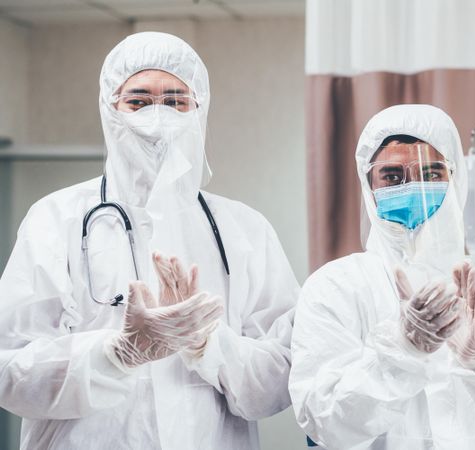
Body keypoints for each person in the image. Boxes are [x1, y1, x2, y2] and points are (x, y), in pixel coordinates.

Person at [0, 32, 298, 449]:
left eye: (176, 101)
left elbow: (280, 382)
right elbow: (10, 371)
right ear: (110, 109)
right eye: (138, 101)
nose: (158, 115)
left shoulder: (245, 230)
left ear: (199, 109)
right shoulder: (55, 219)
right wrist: (117, 353)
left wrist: (208, 344)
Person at [289, 104, 475, 449]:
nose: (415, 188)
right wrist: (401, 351)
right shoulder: (334, 287)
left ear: (455, 178)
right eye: (393, 177)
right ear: (369, 185)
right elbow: (323, 423)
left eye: (431, 173)